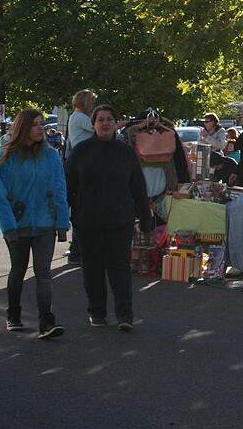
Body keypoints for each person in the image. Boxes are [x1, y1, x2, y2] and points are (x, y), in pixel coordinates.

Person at [65, 105, 152, 332]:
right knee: (92, 270)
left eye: (109, 119)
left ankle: (125, 315)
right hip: (88, 221)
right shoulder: (81, 152)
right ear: (93, 124)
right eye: (100, 120)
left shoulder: (126, 153)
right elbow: (67, 186)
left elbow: (138, 188)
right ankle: (97, 312)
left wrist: (145, 217)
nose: (105, 123)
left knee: (119, 269)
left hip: (119, 221)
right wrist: (63, 218)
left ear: (116, 123)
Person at [0, 109, 69, 339]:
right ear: (23, 127)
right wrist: (8, 226)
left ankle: (46, 321)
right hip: (18, 224)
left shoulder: (52, 156)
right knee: (18, 270)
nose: (40, 128)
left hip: (46, 223)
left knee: (43, 272)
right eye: (35, 124)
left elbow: (59, 190)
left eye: (42, 124)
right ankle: (13, 313)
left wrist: (62, 222)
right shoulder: (6, 156)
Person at [65, 89, 97, 265]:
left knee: (81, 207)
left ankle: (77, 249)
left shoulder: (74, 117)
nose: (93, 105)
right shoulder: (81, 118)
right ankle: (77, 251)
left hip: (81, 160)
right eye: (91, 101)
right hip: (85, 162)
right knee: (83, 208)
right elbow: (99, 129)